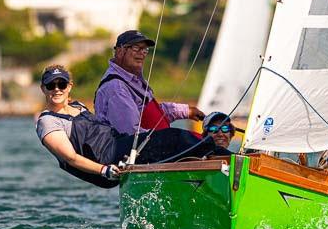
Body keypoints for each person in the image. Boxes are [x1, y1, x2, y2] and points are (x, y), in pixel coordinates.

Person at [36, 65, 217, 188]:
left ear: (69, 86)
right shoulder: (47, 121)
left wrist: (178, 111)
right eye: (51, 85)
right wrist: (104, 170)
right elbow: (71, 158)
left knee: (172, 148)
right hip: (108, 157)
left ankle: (208, 169)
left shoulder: (78, 106)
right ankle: (227, 159)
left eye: (62, 84)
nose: (57, 89)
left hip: (118, 143)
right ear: (43, 89)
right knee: (174, 138)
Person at [94, 30, 205, 135]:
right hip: (137, 152)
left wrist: (186, 111)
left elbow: (153, 112)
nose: (142, 53)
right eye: (136, 48)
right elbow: (130, 133)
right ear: (119, 51)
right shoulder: (116, 87)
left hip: (153, 147)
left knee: (206, 141)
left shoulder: (133, 80)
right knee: (195, 142)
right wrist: (168, 138)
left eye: (145, 49)